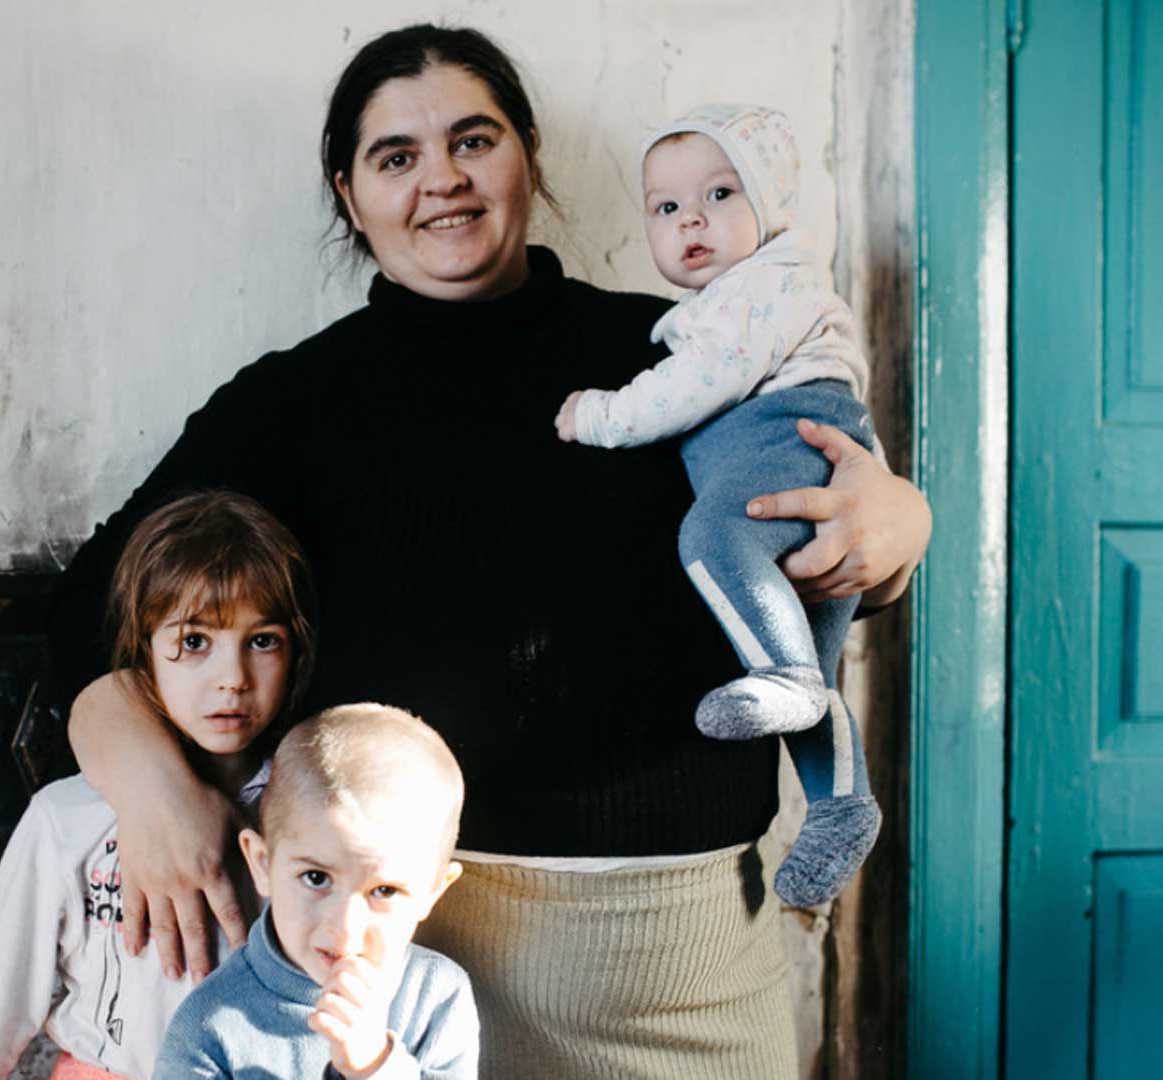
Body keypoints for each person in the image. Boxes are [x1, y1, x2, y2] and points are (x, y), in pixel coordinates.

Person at [49, 23, 931, 1075]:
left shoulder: (686, 346)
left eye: (476, 140)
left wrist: (902, 528)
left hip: (692, 971)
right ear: (347, 192)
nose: (444, 181)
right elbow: (82, 609)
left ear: (528, 157)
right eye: (397, 157)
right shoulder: (294, 402)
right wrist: (150, 783)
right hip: (404, 984)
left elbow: (820, 528)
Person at [552, 104, 882, 908]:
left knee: (711, 538)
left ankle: (783, 674)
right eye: (666, 208)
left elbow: (693, 387)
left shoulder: (756, 294)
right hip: (805, 447)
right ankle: (841, 805)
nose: (691, 219)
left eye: (722, 194)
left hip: (786, 437)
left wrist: (597, 415)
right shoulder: (738, 298)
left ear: (772, 204)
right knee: (816, 667)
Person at [0, 491, 317, 1080]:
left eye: (262, 641)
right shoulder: (66, 818)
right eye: (195, 641)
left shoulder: (314, 814)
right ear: (144, 649)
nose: (232, 679)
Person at [154, 704, 476, 1080]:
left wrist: (375, 1066)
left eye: (385, 891)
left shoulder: (436, 996)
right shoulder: (208, 1028)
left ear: (432, 894)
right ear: (262, 864)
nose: (344, 928)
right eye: (316, 878)